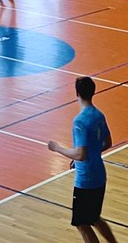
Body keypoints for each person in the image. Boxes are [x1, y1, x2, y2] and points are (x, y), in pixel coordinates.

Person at [47, 76, 117, 243]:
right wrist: (89, 153)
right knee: (94, 218)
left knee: (82, 224)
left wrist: (57, 148)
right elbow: (107, 143)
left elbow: (80, 154)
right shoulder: (99, 115)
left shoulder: (80, 121)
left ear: (77, 93)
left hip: (86, 180)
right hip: (100, 175)